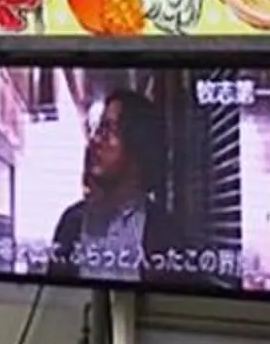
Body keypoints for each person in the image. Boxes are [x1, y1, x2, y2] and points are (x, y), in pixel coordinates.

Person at [48, 87, 187, 283]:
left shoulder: (165, 233)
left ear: (138, 143)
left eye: (107, 130)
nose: (95, 140)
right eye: (97, 130)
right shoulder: (71, 223)